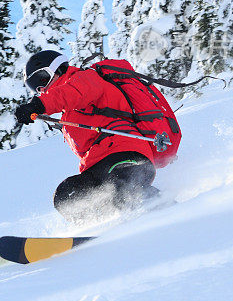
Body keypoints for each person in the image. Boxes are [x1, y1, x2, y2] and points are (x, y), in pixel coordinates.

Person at [14, 50, 181, 223]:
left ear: (58, 69)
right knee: (67, 195)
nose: (42, 89)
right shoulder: (69, 112)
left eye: (42, 79)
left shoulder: (85, 79)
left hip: (125, 153)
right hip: (100, 164)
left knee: (122, 188)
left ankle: (175, 215)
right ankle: (100, 230)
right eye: (35, 88)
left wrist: (38, 105)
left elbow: (72, 93)